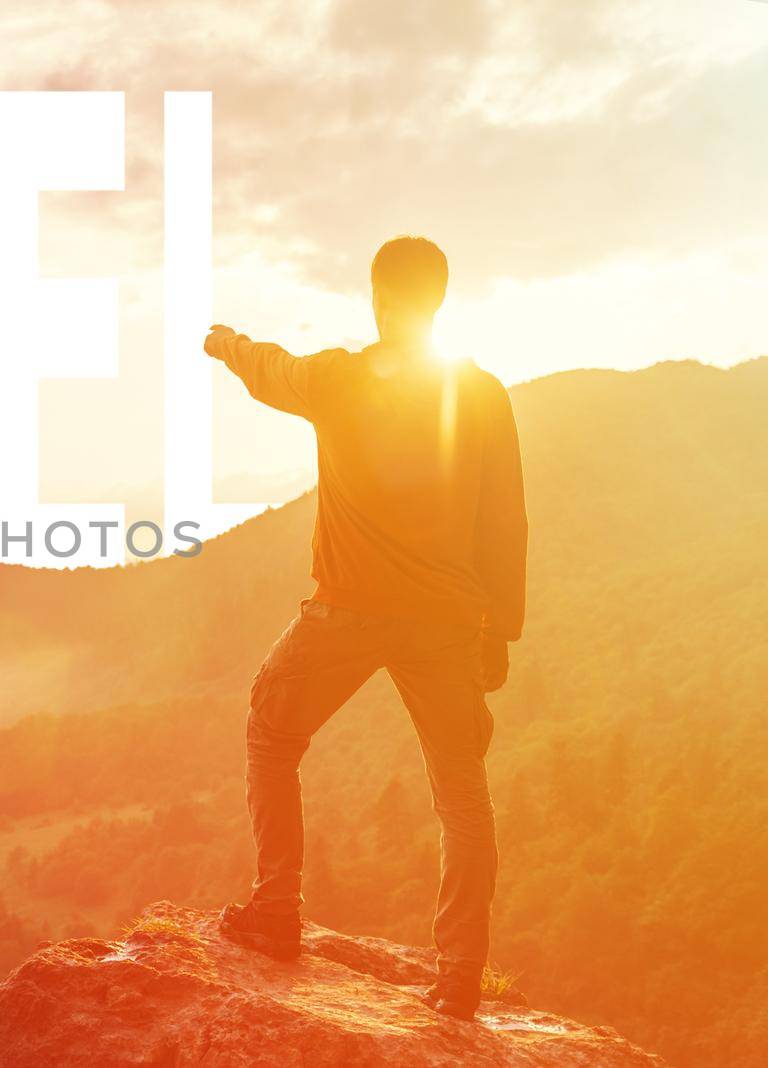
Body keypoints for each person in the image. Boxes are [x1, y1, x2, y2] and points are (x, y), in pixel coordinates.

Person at [202, 236, 527, 1021]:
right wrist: (499, 632)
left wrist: (222, 341)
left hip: (344, 610)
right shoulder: (480, 394)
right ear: (440, 302)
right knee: (462, 797)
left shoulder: (340, 380)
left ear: (378, 296)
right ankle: (459, 978)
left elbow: (269, 368)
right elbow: (505, 520)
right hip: (448, 623)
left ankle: (277, 910)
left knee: (270, 735)